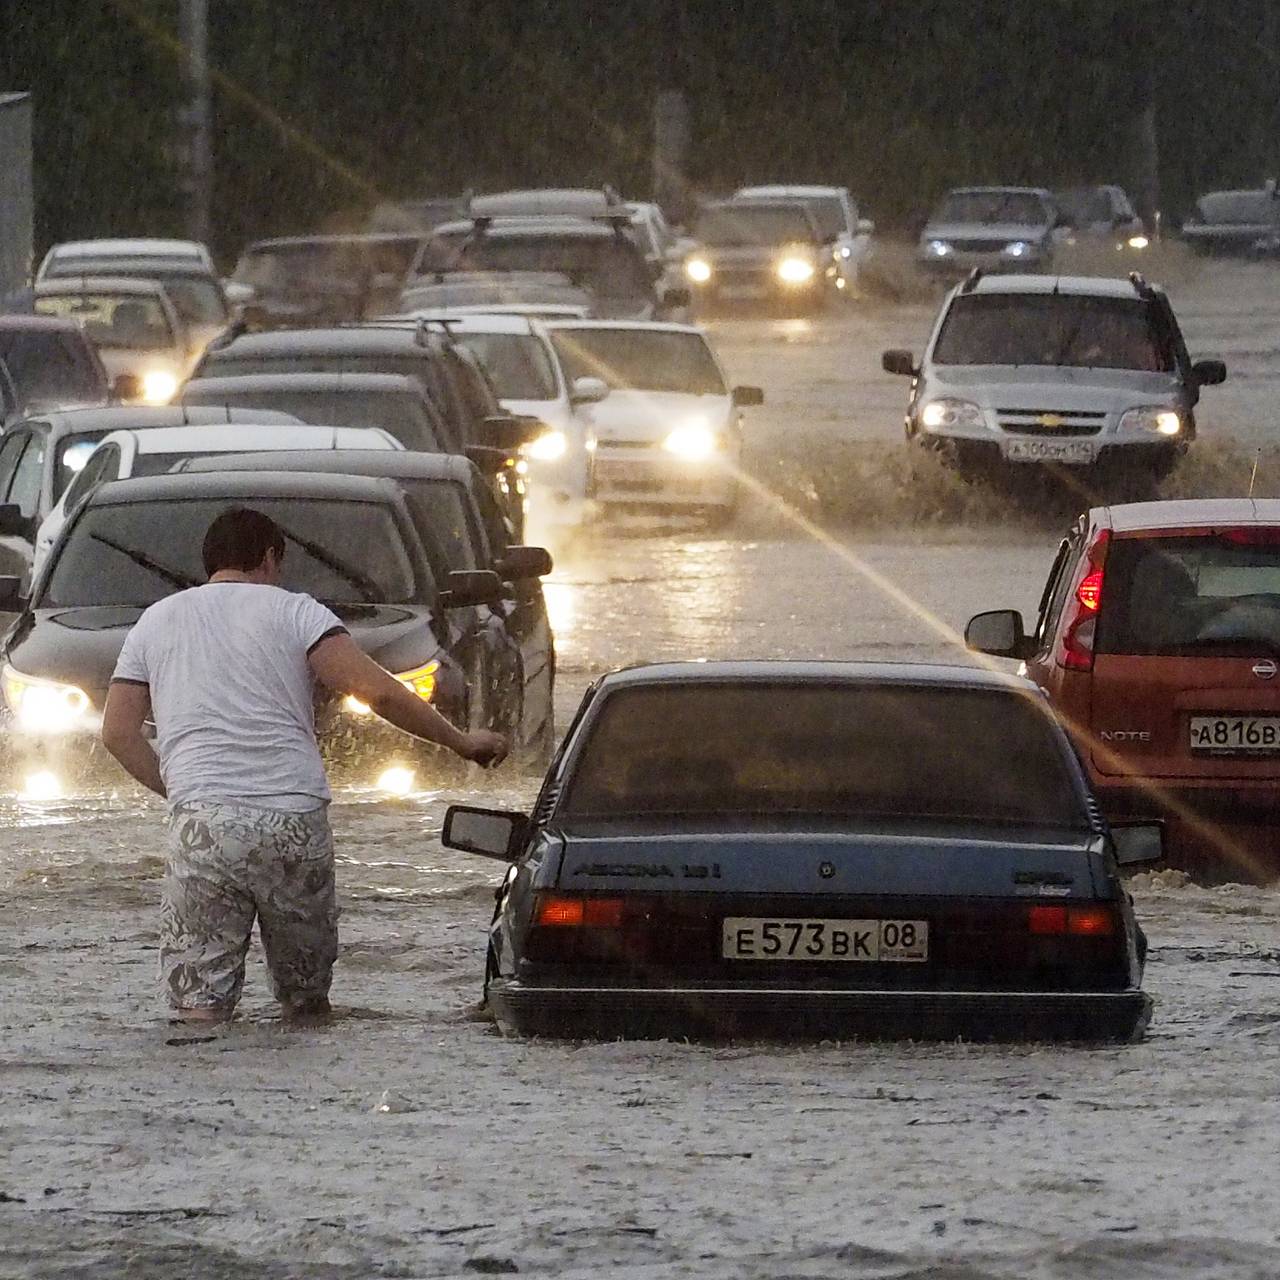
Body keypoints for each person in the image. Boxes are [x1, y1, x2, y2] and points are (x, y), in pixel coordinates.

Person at [101, 506, 508, 1025]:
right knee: (305, 1004)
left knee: (197, 1010)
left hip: (203, 821)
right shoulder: (298, 612)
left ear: (211, 563)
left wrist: (186, 791)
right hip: (292, 822)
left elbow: (117, 733)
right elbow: (378, 692)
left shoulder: (156, 621)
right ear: (270, 557)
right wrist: (461, 741)